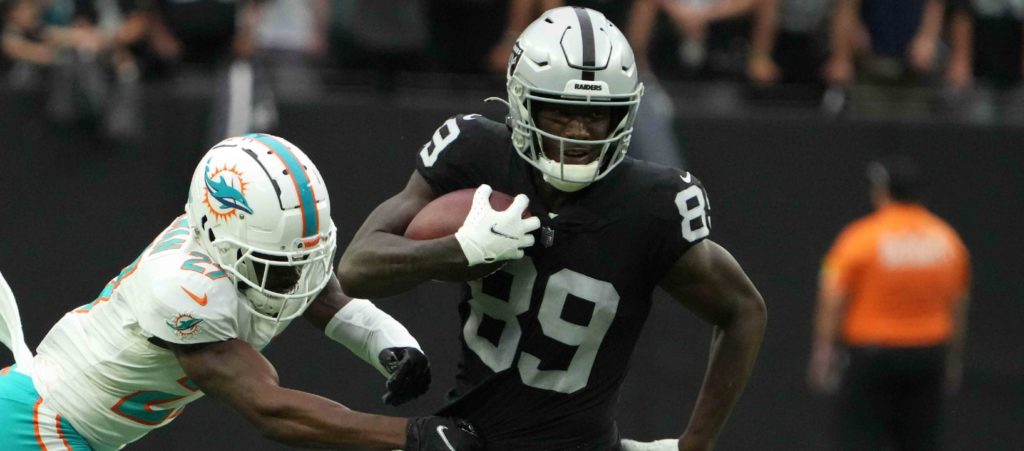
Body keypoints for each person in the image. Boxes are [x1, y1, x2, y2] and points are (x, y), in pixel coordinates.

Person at [338, 6, 767, 451]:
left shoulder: (652, 203)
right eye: (561, 112)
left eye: (596, 115)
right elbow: (356, 267)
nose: (579, 132)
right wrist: (460, 249)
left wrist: (695, 443)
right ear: (522, 101)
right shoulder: (475, 155)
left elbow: (744, 310)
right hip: (466, 439)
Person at [0, 134, 482, 450]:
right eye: (275, 267)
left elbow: (319, 292)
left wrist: (390, 342)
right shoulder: (183, 288)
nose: (294, 280)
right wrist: (410, 436)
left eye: (301, 260)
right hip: (36, 424)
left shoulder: (241, 248)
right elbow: (269, 408)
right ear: (219, 241)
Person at [808, 156, 971, 451]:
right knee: (920, 441)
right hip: (928, 355)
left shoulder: (861, 238)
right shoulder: (947, 241)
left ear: (882, 192)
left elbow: (832, 296)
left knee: (859, 440)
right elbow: (958, 303)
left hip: (873, 357)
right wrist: (953, 358)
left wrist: (824, 352)